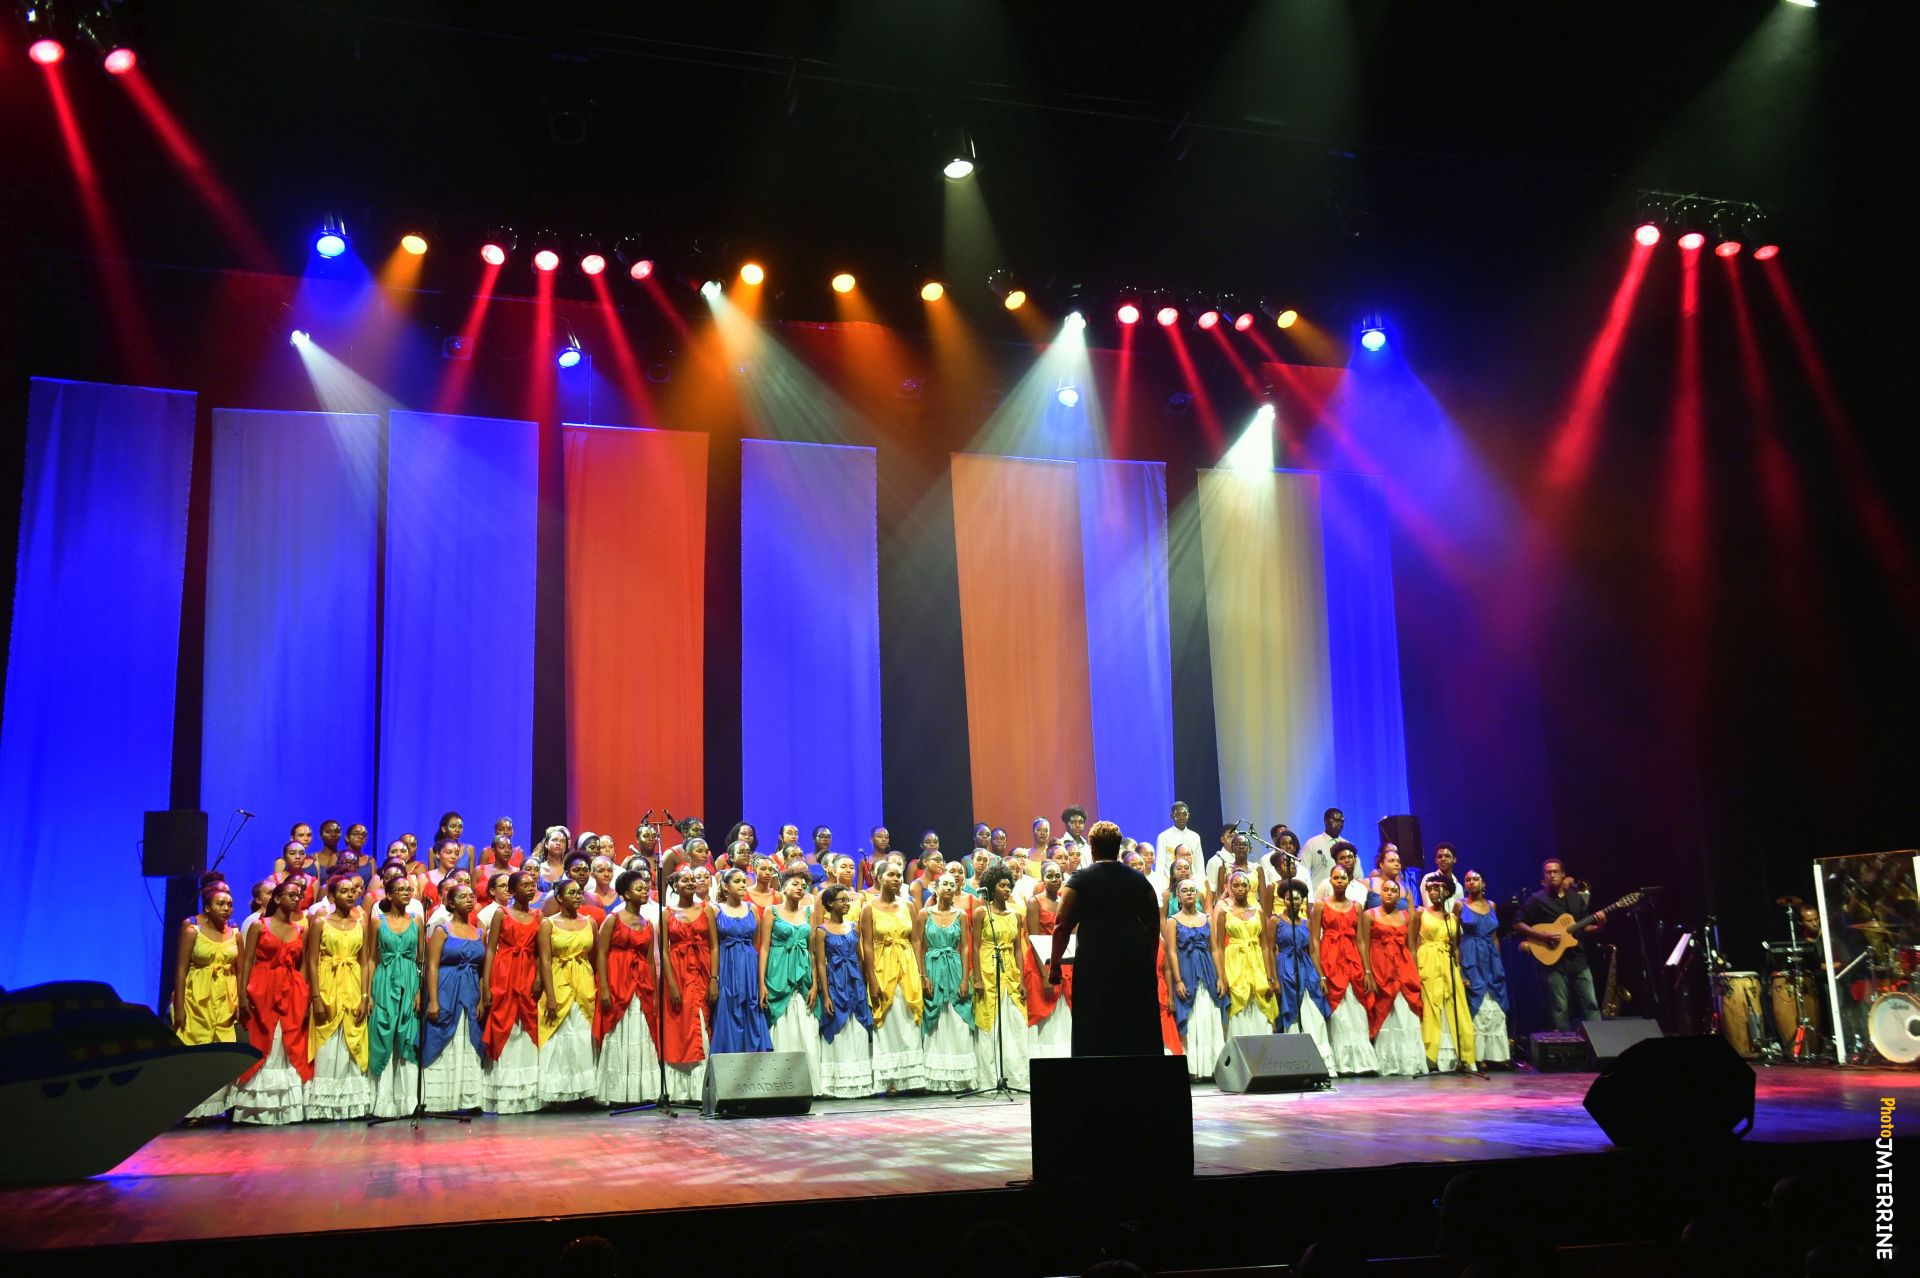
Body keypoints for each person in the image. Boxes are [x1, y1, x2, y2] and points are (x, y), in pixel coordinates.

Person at [1045, 820, 1162, 1058]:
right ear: (1118, 847)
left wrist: (1055, 963)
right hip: (1133, 958)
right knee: (1134, 1019)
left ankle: (1094, 1082)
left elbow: (1062, 924)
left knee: (1094, 1019)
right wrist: (1149, 958)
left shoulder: (1079, 881)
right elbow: (1153, 923)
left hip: (1095, 958)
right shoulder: (1139, 880)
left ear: (1092, 847)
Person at [231, 877, 312, 1124]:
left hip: (291, 990)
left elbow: (304, 965)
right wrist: (243, 992)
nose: (297, 898)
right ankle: (256, 1109)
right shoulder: (259, 925)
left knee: (286, 1042)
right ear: (277, 898)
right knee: (263, 1039)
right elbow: (247, 961)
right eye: (291, 895)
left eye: (300, 895)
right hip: (263, 988)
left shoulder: (301, 930)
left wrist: (306, 994)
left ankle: (284, 1108)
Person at [306, 874, 373, 1119]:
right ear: (333, 896)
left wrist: (365, 995)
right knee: (328, 1041)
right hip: (328, 983)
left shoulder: (361, 924)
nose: (350, 894)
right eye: (343, 891)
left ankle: (350, 1104)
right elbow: (312, 961)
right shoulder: (320, 923)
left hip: (353, 984)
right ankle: (325, 1106)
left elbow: (365, 961)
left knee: (351, 1037)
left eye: (352, 891)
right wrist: (315, 996)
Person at [174, 883, 241, 1119]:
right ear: (208, 907)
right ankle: (192, 1109)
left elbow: (240, 970)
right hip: (197, 998)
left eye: (230, 904)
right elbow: (181, 969)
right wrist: (180, 1005)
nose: (226, 909)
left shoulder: (235, 932)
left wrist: (239, 1000)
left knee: (222, 1051)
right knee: (196, 1048)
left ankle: (215, 1108)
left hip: (224, 998)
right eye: (220, 904)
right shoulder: (193, 930)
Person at [594, 869, 661, 1105]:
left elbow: (651, 961)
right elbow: (600, 954)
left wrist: (653, 991)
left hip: (641, 983)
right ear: (625, 894)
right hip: (617, 980)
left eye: (646, 887)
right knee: (618, 1033)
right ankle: (616, 1092)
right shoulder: (613, 919)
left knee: (640, 1033)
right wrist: (603, 987)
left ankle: (639, 1092)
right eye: (638, 888)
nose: (644, 891)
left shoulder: (649, 924)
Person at [1515, 858, 1605, 1030]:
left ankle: (1599, 1048)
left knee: (1591, 1004)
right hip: (1553, 962)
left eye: (1555, 871)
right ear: (1543, 876)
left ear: (1563, 874)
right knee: (1559, 1008)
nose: (1552, 875)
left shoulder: (1575, 898)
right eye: (1548, 872)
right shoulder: (1537, 899)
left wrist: (1600, 925)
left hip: (1578, 959)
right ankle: (1566, 1048)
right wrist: (1542, 935)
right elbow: (1518, 923)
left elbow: (1584, 928)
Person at [482, 871, 544, 1114]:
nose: (531, 888)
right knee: (504, 1022)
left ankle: (527, 1094)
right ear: (513, 889)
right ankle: (503, 1091)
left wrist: (538, 976)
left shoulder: (539, 916)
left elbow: (541, 952)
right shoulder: (501, 913)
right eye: (525, 885)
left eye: (533, 884)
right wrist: (486, 984)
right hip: (505, 971)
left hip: (527, 970)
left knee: (527, 1026)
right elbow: (490, 949)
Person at [423, 881, 487, 1112]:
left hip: (470, 989)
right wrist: (433, 1000)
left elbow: (482, 968)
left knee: (468, 1037)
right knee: (443, 1036)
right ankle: (439, 1100)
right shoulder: (442, 930)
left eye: (472, 896)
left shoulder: (479, 932)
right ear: (451, 902)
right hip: (446, 987)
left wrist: (481, 998)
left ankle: (468, 1099)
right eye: (464, 897)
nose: (470, 900)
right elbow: (431, 966)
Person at [862, 860, 925, 1092]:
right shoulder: (869, 907)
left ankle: (911, 1078)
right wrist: (871, 978)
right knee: (887, 1020)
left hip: (907, 964)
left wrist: (920, 972)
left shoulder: (908, 905)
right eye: (891, 875)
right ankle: (889, 1080)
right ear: (879, 878)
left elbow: (916, 940)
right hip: (882, 965)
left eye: (899, 875)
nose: (897, 879)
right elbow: (867, 945)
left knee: (908, 1017)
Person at [1310, 865, 1378, 1076]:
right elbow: (1314, 939)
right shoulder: (1321, 905)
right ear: (1330, 881)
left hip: (1352, 958)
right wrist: (1320, 972)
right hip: (1330, 956)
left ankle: (1362, 1062)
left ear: (1349, 881)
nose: (1339, 881)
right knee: (1338, 1012)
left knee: (1357, 1008)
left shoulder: (1357, 907)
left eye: (1343, 878)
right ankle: (1343, 1064)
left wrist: (1367, 971)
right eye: (1336, 878)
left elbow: (1360, 940)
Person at [537, 879, 599, 1106]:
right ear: (560, 898)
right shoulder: (548, 924)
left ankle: (583, 1091)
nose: (577, 896)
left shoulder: (590, 922)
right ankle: (558, 1093)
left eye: (579, 892)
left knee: (582, 1033)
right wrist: (550, 995)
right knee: (558, 1034)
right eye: (572, 893)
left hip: (583, 978)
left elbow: (595, 955)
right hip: (558, 979)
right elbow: (544, 960)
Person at [367, 875, 424, 1118]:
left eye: (408, 889)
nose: (406, 893)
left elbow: (420, 959)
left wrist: (420, 990)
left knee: (407, 1036)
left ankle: (408, 1102)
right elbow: (370, 958)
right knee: (384, 1032)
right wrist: (367, 993)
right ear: (388, 895)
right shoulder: (378, 922)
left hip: (410, 980)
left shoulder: (417, 920)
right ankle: (383, 1103)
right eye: (400, 890)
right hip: (384, 979)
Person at [758, 866, 821, 1085]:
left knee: (805, 1023)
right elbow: (764, 948)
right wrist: (762, 984)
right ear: (783, 887)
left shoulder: (809, 913)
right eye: (795, 884)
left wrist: (815, 985)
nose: (800, 888)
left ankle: (807, 1082)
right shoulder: (771, 911)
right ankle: (780, 1082)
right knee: (781, 1023)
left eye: (803, 886)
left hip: (802, 972)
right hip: (778, 971)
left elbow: (813, 951)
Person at [812, 883, 875, 1097]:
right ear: (830, 903)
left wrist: (866, 983)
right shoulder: (822, 931)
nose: (847, 903)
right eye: (843, 900)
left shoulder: (853, 927)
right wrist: (826, 995)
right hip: (835, 980)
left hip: (854, 980)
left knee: (857, 1027)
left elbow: (859, 956)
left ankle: (859, 1082)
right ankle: (837, 1083)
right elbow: (820, 963)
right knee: (838, 1026)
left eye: (849, 900)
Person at [971, 863, 1030, 1089]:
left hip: (1010, 970)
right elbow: (976, 946)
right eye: (1001, 885)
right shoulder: (981, 913)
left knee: (1013, 1021)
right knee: (990, 1021)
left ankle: (1015, 1076)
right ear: (991, 887)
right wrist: (977, 977)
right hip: (988, 966)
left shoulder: (1015, 915)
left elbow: (1017, 948)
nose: (1006, 889)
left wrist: (1021, 979)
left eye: (1009, 885)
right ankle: (989, 1077)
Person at [1358, 878, 1425, 1076]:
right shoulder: (1369, 914)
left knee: (1406, 1011)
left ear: (1399, 895)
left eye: (1393, 890)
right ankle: (1388, 1063)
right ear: (1380, 894)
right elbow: (1363, 943)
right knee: (1384, 1010)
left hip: (1403, 967)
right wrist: (1368, 972)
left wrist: (1415, 972)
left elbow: (1411, 946)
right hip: (1381, 966)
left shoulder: (1406, 916)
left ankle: (1409, 1062)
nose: (1389, 893)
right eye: (1385, 890)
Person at [661, 869, 716, 1102]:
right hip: (679, 972)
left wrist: (714, 979)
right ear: (674, 886)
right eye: (685, 879)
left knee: (704, 1024)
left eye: (693, 879)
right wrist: (672, 985)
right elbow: (663, 951)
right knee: (681, 1027)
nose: (691, 882)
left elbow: (714, 946)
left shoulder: (706, 909)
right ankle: (682, 1091)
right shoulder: (666, 913)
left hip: (702, 971)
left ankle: (702, 1089)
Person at [919, 874, 976, 1091]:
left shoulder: (961, 915)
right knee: (935, 1018)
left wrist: (964, 978)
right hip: (932, 965)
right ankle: (935, 1079)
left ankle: (960, 1077)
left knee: (957, 1017)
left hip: (954, 966)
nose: (950, 888)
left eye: (953, 885)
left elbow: (965, 947)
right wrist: (923, 976)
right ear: (935, 888)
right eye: (945, 884)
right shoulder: (925, 914)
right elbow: (919, 944)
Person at [1414, 875, 1475, 1072]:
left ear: (1446, 892)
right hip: (1428, 960)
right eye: (1429, 889)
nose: (1432, 892)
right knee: (1431, 1005)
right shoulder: (1421, 913)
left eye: (1436, 888)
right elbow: (1413, 943)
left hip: (1448, 963)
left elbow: (1456, 946)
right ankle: (1431, 1056)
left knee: (1456, 1005)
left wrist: (1459, 969)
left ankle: (1464, 1055)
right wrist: (1414, 969)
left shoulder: (1453, 919)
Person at [1269, 878, 1333, 1063]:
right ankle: (1295, 1059)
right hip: (1286, 966)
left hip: (1306, 967)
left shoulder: (1306, 922)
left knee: (1313, 1009)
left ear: (1303, 900)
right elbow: (1270, 949)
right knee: (1292, 1009)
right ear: (1283, 900)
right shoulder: (1275, 920)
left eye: (1297, 899)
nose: (1293, 902)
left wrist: (1321, 976)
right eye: (1289, 899)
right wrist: (1273, 977)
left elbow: (1313, 950)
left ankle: (1320, 1060)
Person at [1166, 879, 1225, 1077]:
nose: (1189, 893)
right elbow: (1172, 952)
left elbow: (1215, 949)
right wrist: (1179, 980)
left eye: (1192, 890)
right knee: (1191, 1017)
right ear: (1178, 896)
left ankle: (1214, 1067)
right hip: (1186, 968)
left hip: (1207, 968)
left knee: (1209, 1013)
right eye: (1185, 891)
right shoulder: (1172, 921)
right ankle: (1193, 1069)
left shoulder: (1207, 918)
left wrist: (1220, 977)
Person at [710, 867, 772, 1054]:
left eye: (744, 881)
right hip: (726, 964)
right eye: (737, 881)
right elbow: (713, 944)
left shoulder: (752, 909)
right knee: (728, 1007)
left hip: (748, 965)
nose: (742, 885)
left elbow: (755, 942)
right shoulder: (715, 910)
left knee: (751, 1006)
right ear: (725, 886)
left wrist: (760, 982)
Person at [1213, 869, 1278, 1039]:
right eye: (1236, 885)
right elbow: (1218, 947)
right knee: (1238, 1004)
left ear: (1249, 887)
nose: (1240, 888)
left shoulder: (1259, 912)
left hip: (1256, 961)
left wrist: (1270, 976)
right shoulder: (1223, 912)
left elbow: (1265, 946)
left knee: (1261, 1001)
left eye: (1244, 885)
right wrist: (1222, 976)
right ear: (1229, 887)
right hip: (1234, 962)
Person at [1024, 860, 1074, 1059]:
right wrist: (1045, 974)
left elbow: (1073, 932)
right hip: (1040, 963)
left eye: (1057, 876)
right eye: (1049, 876)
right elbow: (1034, 939)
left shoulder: (1065, 900)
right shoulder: (1034, 902)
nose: (1054, 879)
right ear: (1042, 879)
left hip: (1063, 959)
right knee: (1043, 1010)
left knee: (1066, 1011)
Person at [1154, 800, 1204, 883]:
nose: (1181, 817)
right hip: (1171, 882)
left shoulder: (1195, 836)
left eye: (1184, 814)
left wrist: (1201, 882)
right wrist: (1161, 884)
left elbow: (1199, 863)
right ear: (1171, 816)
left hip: (1192, 882)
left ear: (1188, 815)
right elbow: (1160, 864)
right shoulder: (1163, 836)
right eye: (1177, 814)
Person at [1300, 807, 1346, 889]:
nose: (1340, 824)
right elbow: (1302, 872)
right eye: (1336, 820)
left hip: (1342, 897)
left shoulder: (1347, 845)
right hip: (1318, 895)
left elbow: (1356, 874)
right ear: (1326, 821)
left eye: (1342, 821)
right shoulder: (1312, 843)